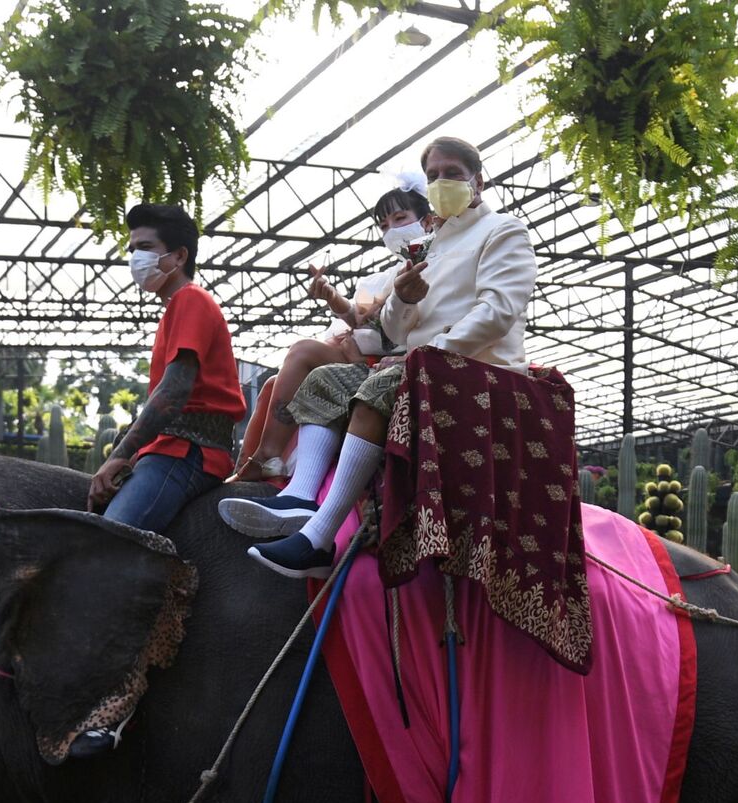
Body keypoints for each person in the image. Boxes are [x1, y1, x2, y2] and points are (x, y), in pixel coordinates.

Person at [220, 135, 538, 579]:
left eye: (452, 174)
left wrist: (426, 356)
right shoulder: (431, 245)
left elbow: (498, 312)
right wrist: (403, 299)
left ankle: (319, 539)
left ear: (478, 182)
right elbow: (392, 330)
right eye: (433, 176)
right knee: (325, 379)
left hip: (481, 371)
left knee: (383, 382)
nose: (441, 182)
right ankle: (300, 497)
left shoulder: (504, 230)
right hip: (426, 368)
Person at [231, 181, 432, 486]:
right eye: (383, 225)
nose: (391, 230)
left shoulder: (430, 268)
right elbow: (359, 316)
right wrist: (330, 295)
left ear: (427, 220)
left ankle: (267, 456)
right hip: (357, 352)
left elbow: (380, 324)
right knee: (273, 384)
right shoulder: (382, 277)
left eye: (400, 218)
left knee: (302, 351)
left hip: (381, 362)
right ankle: (249, 461)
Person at [86, 202, 247, 534]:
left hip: (186, 453)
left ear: (179, 256)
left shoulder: (191, 299)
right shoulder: (176, 309)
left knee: (107, 541)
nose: (136, 258)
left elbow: (174, 390)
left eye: (145, 247)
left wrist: (119, 454)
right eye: (132, 249)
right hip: (171, 449)